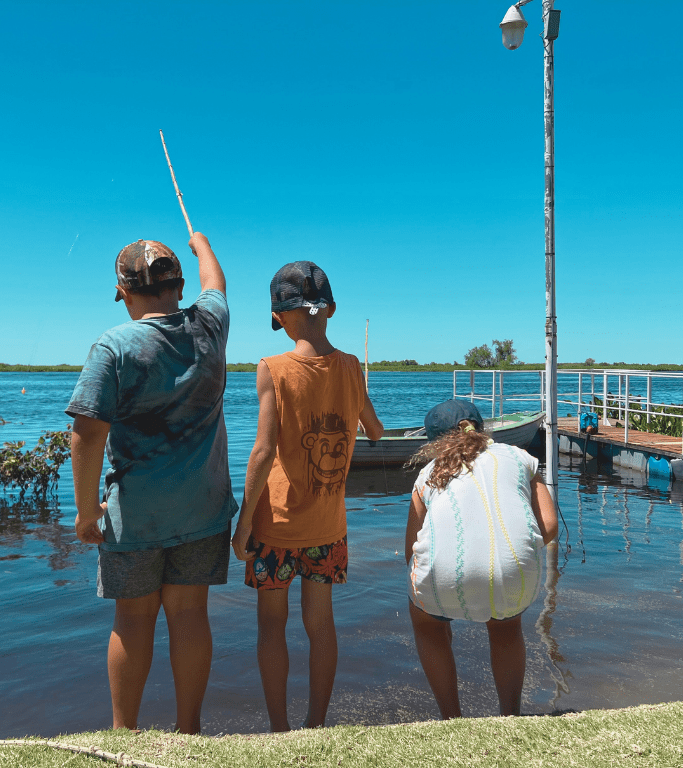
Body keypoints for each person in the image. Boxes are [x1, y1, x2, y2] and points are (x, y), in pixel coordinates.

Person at [67, 233, 238, 734]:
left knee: (133, 620)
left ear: (122, 291)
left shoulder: (114, 346)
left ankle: (125, 731)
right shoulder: (210, 325)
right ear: (179, 284)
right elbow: (217, 282)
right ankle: (188, 731)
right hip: (204, 511)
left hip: (136, 517)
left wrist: (85, 511)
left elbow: (86, 433)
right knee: (189, 616)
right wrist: (202, 244)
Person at [231, 260, 383, 732]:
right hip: (327, 528)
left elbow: (261, 454)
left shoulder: (272, 368)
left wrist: (242, 525)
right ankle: (317, 723)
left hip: (274, 527)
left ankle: (279, 727)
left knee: (271, 629)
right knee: (321, 626)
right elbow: (375, 432)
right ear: (331, 310)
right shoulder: (352, 368)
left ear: (279, 316)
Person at [405, 399, 557, 718]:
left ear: (436, 443)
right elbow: (549, 524)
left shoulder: (428, 473)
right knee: (505, 627)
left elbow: (411, 549)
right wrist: (519, 553)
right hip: (514, 571)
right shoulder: (518, 457)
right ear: (482, 428)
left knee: (427, 623)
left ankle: (451, 718)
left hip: (440, 576)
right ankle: (509, 715)